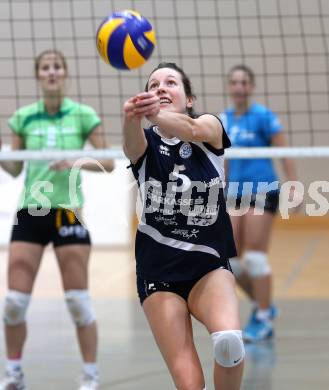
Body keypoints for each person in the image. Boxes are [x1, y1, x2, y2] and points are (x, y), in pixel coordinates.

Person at [123, 62, 245, 390]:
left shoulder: (209, 127)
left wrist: (154, 114)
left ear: (188, 99)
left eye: (171, 83)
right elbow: (131, 144)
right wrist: (131, 117)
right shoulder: (144, 141)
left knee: (230, 343)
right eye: (154, 84)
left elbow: (192, 131)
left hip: (208, 267)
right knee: (190, 384)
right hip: (158, 274)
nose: (161, 87)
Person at [0, 49, 114, 390]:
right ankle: (14, 373)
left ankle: (91, 376)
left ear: (65, 73)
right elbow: (16, 168)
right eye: (46, 68)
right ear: (38, 75)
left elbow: (107, 162)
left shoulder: (82, 115)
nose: (52, 72)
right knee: (14, 304)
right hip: (30, 212)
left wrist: (75, 161)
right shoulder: (23, 116)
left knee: (78, 302)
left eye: (57, 67)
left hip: (68, 212)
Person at [221, 64, 298, 342]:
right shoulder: (224, 120)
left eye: (244, 82)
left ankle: (263, 319)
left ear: (250, 87)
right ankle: (264, 304)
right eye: (234, 82)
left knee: (254, 256)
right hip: (234, 193)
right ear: (229, 87)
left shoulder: (263, 116)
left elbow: (284, 151)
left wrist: (293, 184)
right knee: (229, 260)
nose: (239, 87)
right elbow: (223, 161)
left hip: (263, 188)